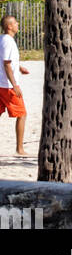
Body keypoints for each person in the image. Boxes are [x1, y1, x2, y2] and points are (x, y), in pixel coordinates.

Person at [0, 14, 28, 155]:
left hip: (1, 84)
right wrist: (15, 84)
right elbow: (6, 64)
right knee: (22, 114)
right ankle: (20, 148)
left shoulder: (3, 39)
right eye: (15, 23)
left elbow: (7, 61)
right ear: (9, 26)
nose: (18, 24)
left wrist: (19, 67)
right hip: (7, 86)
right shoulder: (8, 41)